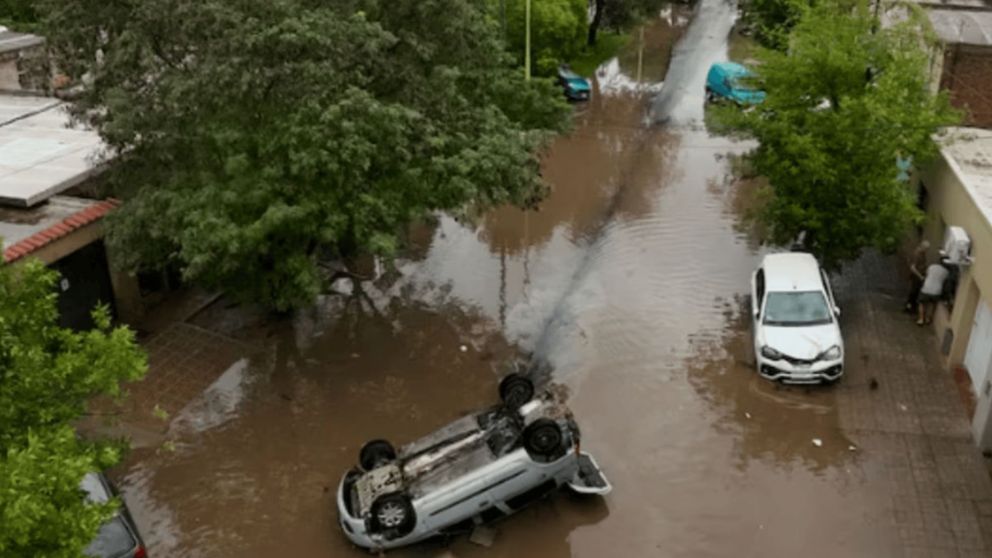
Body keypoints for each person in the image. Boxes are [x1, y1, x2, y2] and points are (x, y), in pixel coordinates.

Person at [917, 259, 950, 325]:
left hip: (926, 288)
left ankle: (921, 319)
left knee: (922, 303)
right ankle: (928, 319)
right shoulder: (946, 272)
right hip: (937, 291)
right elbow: (945, 281)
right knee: (932, 305)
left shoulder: (932, 266)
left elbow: (926, 274)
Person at [905, 240, 929, 312]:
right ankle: (909, 307)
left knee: (916, 292)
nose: (927, 250)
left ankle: (911, 307)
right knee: (913, 292)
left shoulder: (923, 254)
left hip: (919, 276)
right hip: (916, 276)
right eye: (926, 249)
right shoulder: (917, 254)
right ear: (923, 247)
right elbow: (913, 268)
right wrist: (920, 276)